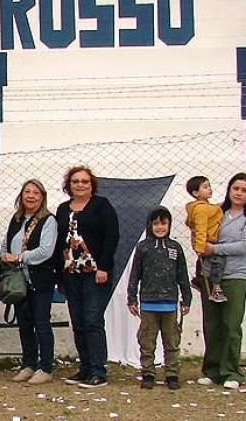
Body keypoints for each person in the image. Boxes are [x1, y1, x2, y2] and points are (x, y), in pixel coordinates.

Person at [56, 165, 119, 389]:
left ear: (91, 184)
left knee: (92, 320)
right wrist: (59, 275)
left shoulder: (102, 206)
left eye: (84, 181)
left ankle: (98, 371)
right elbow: (59, 243)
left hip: (95, 274)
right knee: (79, 322)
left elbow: (112, 236)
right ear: (69, 185)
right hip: (71, 274)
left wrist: (103, 267)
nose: (80, 185)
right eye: (75, 181)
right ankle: (84, 368)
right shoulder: (63, 209)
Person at [127, 206, 191, 390]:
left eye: (164, 223)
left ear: (169, 224)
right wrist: (132, 299)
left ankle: (172, 374)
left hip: (170, 305)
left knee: (172, 342)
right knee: (147, 341)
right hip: (148, 305)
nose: (160, 227)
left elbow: (182, 275)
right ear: (150, 225)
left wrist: (186, 300)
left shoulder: (175, 247)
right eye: (156, 223)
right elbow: (135, 275)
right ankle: (148, 373)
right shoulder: (143, 247)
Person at [2, 179, 58, 386]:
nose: (31, 196)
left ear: (42, 197)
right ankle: (29, 363)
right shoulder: (16, 219)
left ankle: (45, 367)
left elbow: (46, 251)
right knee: (24, 323)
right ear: (21, 195)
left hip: (40, 279)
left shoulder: (48, 221)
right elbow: (6, 242)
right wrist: (3, 255)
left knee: (41, 322)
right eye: (27, 192)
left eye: (36, 192)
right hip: (19, 281)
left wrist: (18, 258)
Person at [197, 172, 246, 390]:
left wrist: (215, 248)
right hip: (210, 274)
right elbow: (201, 231)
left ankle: (231, 372)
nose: (239, 193)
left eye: (244, 190)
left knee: (231, 324)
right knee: (212, 323)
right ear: (229, 189)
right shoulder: (216, 211)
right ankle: (212, 370)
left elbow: (243, 246)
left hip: (236, 276)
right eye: (236, 188)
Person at [185, 176, 226, 302]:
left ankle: (198, 279)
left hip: (206, 241)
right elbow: (201, 229)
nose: (209, 189)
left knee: (205, 262)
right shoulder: (201, 209)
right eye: (205, 187)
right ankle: (216, 288)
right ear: (196, 193)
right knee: (217, 262)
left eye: (209, 186)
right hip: (208, 241)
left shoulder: (205, 207)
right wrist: (200, 247)